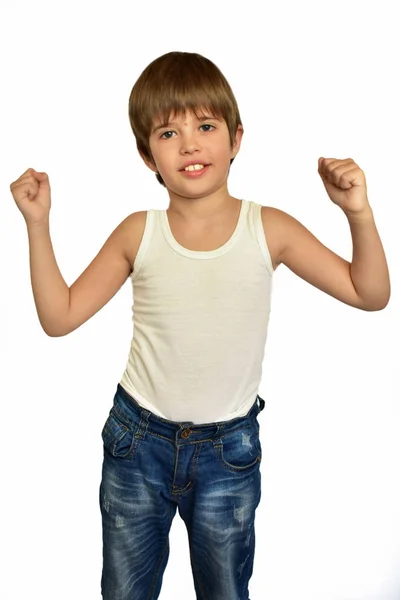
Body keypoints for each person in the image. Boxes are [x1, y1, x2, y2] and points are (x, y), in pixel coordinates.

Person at [10, 51, 390, 600]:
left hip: (228, 454)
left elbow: (369, 292)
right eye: (169, 132)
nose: (190, 144)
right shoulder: (137, 232)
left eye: (206, 126)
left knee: (226, 592)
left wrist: (358, 212)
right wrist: (39, 225)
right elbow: (59, 316)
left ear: (236, 139)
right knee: (125, 593)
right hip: (137, 444)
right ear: (148, 156)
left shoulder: (270, 227)